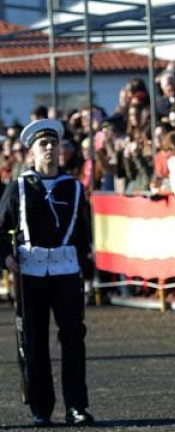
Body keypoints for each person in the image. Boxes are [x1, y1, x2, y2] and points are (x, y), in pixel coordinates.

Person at [0, 119, 94, 427]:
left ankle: (76, 407)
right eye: (44, 144)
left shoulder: (75, 188)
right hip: (31, 273)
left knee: (73, 340)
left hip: (66, 272)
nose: (51, 148)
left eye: (55, 143)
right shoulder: (19, 188)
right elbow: (1, 231)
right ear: (31, 153)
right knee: (34, 342)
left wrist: (86, 269)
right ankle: (41, 409)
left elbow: (84, 234)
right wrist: (6, 257)